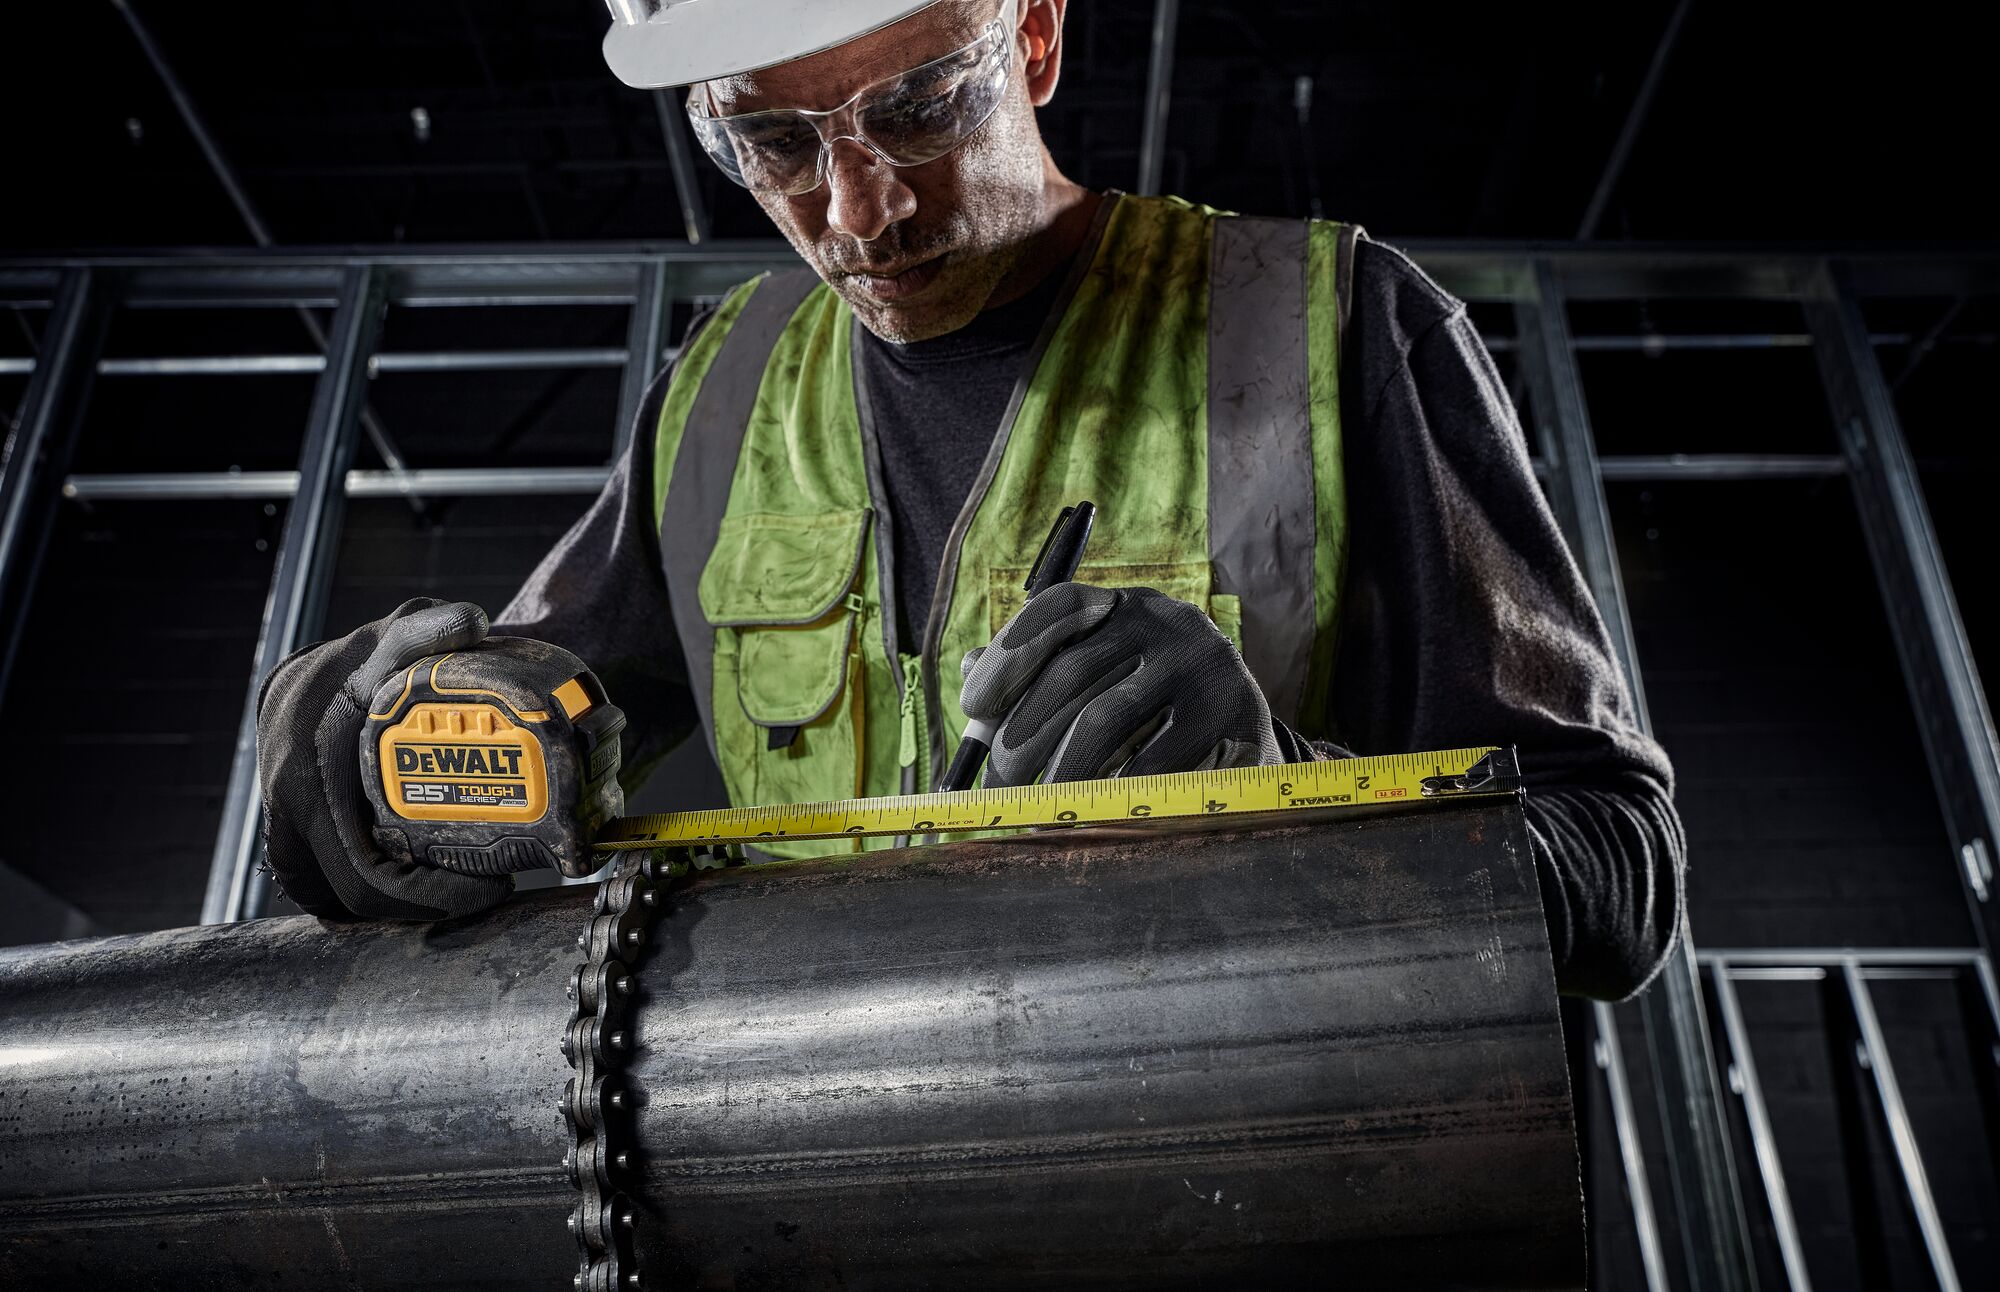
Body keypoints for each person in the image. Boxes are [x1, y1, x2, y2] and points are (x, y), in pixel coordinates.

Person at [256, 0, 1683, 1001]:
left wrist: (1289, 794)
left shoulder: (1326, 325)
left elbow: (1622, 873)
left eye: (923, 108)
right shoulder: (732, 385)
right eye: (773, 143)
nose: (860, 210)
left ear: (1038, 36)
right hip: (832, 1190)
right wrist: (367, 748)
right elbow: (500, 727)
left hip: (1237, 1185)